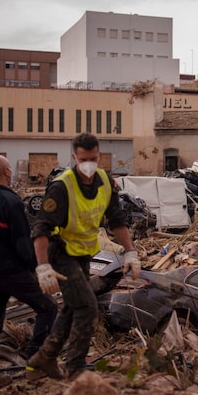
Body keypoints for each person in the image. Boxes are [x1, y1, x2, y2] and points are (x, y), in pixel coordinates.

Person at [26, 133, 141, 381]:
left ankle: (43, 358)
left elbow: (117, 219)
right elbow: (40, 228)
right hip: (59, 253)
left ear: (99, 156)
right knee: (88, 307)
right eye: (84, 159)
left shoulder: (104, 181)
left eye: (93, 158)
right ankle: (75, 367)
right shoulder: (62, 186)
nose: (89, 163)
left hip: (82, 254)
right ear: (74, 157)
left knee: (71, 307)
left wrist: (130, 250)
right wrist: (43, 266)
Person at [0, 155, 58, 395]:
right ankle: (35, 362)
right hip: (11, 270)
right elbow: (22, 243)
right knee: (48, 308)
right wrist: (35, 268)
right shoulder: (11, 202)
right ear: (8, 171)